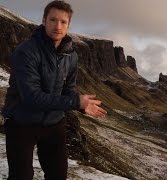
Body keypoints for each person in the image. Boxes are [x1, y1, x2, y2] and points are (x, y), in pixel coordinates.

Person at [1, 1, 107, 179]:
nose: (58, 26)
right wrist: (76, 102)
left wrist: (81, 106)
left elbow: (68, 90)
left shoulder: (71, 55)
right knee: (21, 176)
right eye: (53, 20)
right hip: (21, 122)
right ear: (43, 21)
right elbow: (31, 97)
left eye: (63, 22)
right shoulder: (26, 51)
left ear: (68, 25)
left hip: (53, 123)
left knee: (58, 175)